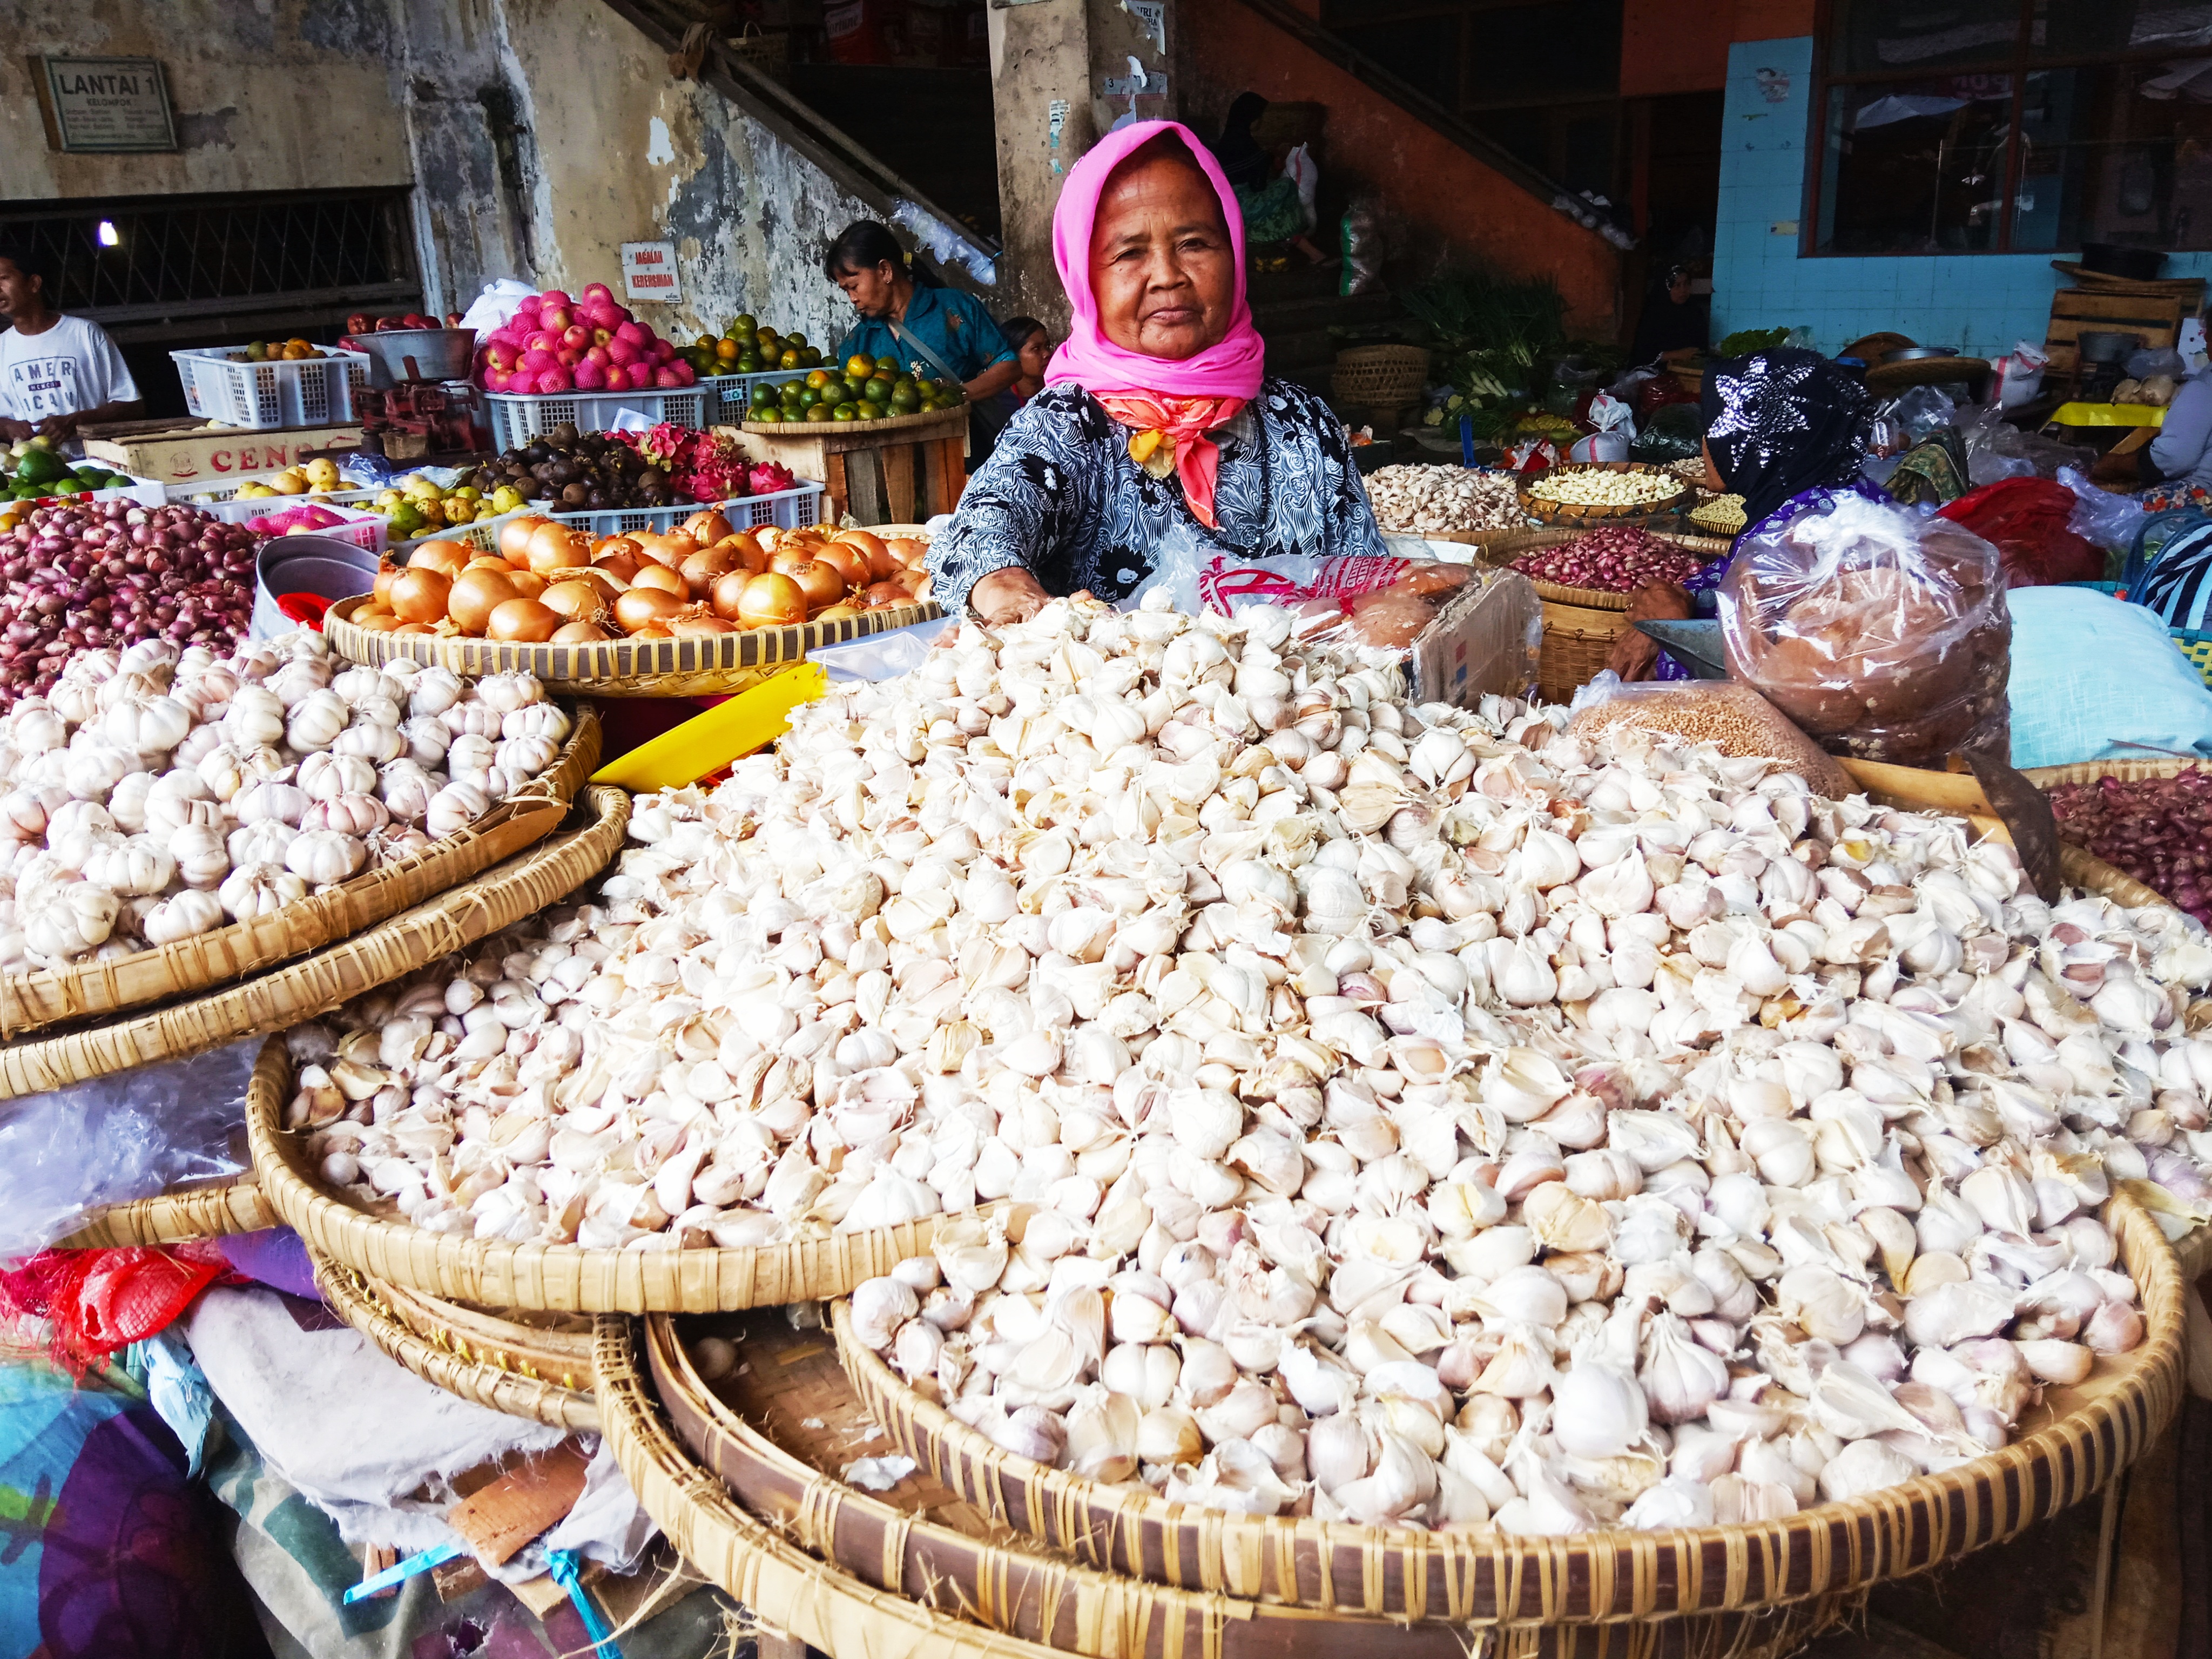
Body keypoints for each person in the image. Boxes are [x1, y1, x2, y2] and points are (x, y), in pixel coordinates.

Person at [928, 120, 1386, 627]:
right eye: (1129, 253)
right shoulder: (1067, 424)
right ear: (1085, 278)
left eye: (1194, 243)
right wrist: (1006, 588)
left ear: (1233, 253)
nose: (1168, 275)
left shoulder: (1301, 422)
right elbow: (984, 527)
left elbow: (1370, 580)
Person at [1606, 347, 1874, 680]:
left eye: (1717, 428)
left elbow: (1771, 689)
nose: (1706, 442)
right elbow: (1730, 581)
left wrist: (1674, 631)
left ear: (1756, 438)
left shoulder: (1805, 543)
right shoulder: (1830, 499)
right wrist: (1672, 603)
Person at [822, 221, 1021, 407]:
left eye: (854, 287)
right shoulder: (856, 343)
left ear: (885, 271)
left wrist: (959, 394)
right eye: (846, 291)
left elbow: (1009, 366)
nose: (852, 298)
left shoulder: (954, 307)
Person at [0, 244, 142, 450]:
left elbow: (133, 407)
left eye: (4, 279)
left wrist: (75, 420)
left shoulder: (85, 333)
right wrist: (8, 428)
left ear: (34, 283)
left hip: (98, 462)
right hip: (36, 470)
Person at [1209, 93, 1326, 266]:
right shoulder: (1245, 146)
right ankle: (1311, 249)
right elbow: (1258, 185)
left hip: (1232, 201)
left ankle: (1313, 253)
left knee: (1279, 203)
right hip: (1237, 203)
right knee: (1286, 188)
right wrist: (1269, 160)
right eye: (1260, 117)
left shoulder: (1233, 140)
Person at [2091, 363, 2212, 510]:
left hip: (2202, 499)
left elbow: (2172, 459)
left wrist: (2112, 464)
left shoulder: (2203, 387)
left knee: (2097, 507)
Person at [1628, 262, 1709, 365]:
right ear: (1666, 288)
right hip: (1652, 374)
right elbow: (1642, 355)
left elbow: (1701, 348)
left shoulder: (1695, 312)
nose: (1683, 290)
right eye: (1677, 286)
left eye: (1686, 284)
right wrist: (1675, 355)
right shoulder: (1654, 315)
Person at [1000, 316, 1051, 406]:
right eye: (1036, 348)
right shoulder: (997, 404)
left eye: (1047, 346)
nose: (1047, 354)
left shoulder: (1061, 394)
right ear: (1013, 355)